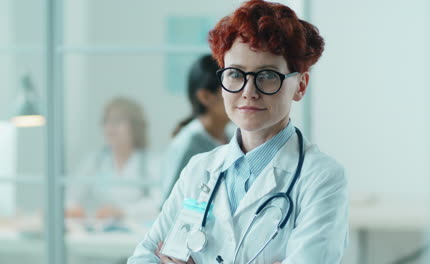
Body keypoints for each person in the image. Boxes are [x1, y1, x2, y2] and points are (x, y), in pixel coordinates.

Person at [128, 1, 348, 263]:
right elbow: (143, 258)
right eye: (235, 74)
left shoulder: (321, 179)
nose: (248, 91)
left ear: (300, 86)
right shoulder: (199, 170)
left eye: (267, 75)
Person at [66, 96, 161, 224]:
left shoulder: (151, 163)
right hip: (100, 233)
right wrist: (72, 209)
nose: (110, 128)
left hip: (137, 233)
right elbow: (70, 196)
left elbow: (159, 203)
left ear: (135, 127)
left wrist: (123, 211)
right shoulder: (95, 161)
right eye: (106, 122)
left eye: (116, 122)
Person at [160, 54, 231, 202]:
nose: (243, 93)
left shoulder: (230, 138)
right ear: (205, 97)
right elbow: (169, 204)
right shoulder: (189, 144)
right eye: (231, 86)